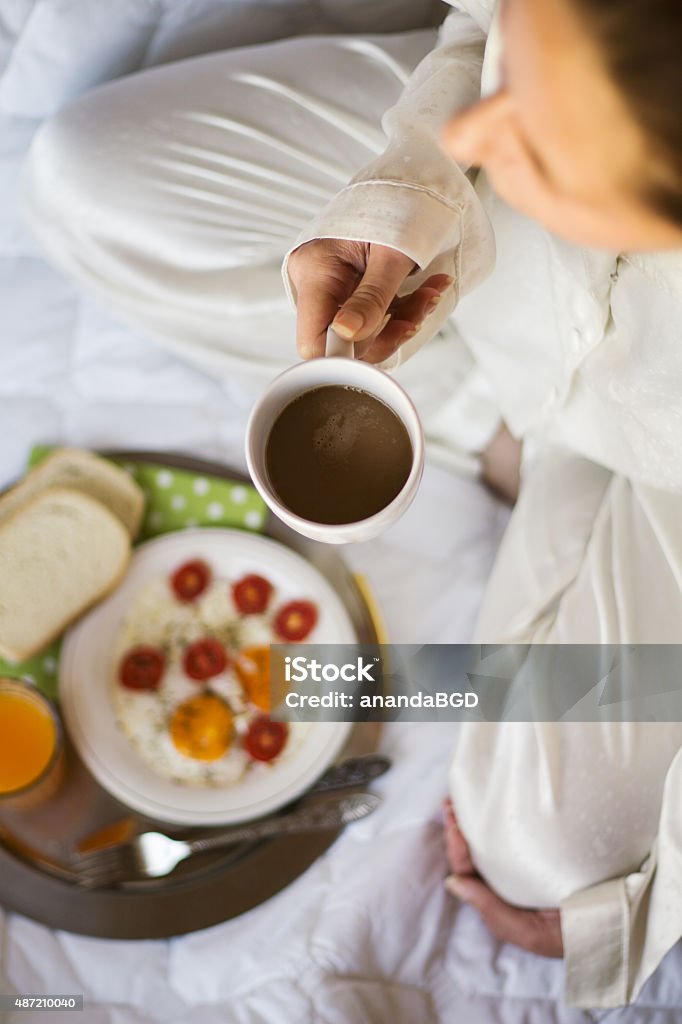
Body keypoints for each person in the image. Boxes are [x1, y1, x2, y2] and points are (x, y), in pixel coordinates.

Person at [20, 0, 682, 1009]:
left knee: (547, 855)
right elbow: (476, 36)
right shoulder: (498, 120)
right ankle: (472, 418)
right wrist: (412, 186)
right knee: (83, 179)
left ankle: (512, 444)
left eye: (538, 143)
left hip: (653, 463)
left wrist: (650, 894)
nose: (478, 138)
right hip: (509, 274)